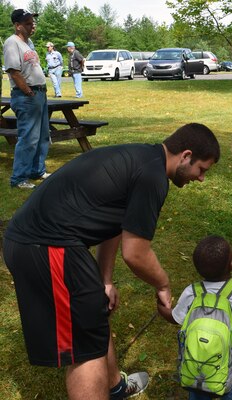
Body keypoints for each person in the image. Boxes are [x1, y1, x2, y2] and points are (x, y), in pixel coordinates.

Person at [3, 123, 220, 400]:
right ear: (186, 155)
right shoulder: (153, 176)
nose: (201, 179)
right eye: (201, 170)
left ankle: (114, 386)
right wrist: (163, 284)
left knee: (93, 312)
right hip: (46, 246)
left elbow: (116, 225)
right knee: (85, 348)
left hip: (47, 242)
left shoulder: (145, 158)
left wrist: (104, 280)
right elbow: (136, 254)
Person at [157, 235, 232, 400]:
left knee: (198, 392)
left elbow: (174, 318)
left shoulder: (192, 292)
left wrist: (160, 305)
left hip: (196, 356)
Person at [3, 9, 50, 190]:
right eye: (29, 23)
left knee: (42, 136)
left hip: (39, 94)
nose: (33, 25)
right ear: (17, 26)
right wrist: (29, 92)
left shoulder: (28, 42)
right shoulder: (11, 43)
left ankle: (37, 171)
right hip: (27, 96)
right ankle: (19, 178)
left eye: (33, 22)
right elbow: (14, 72)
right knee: (28, 138)